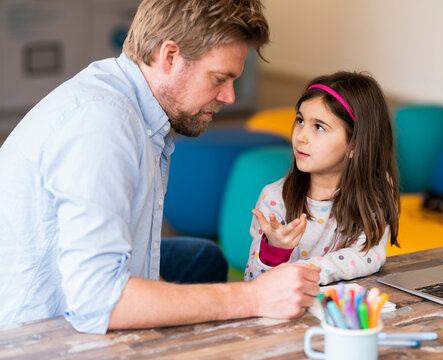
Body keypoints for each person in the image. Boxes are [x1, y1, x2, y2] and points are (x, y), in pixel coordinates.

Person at [0, 0, 320, 334]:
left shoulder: (129, 103)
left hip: (67, 282)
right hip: (28, 331)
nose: (229, 97)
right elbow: (98, 301)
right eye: (220, 78)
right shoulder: (103, 124)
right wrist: (253, 297)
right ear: (169, 57)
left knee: (200, 256)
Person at [245, 71, 400, 285]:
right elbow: (253, 283)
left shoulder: (374, 191)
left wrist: (302, 270)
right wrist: (274, 251)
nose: (300, 136)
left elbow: (368, 255)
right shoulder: (274, 198)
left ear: (355, 144)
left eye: (318, 126)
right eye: (300, 120)